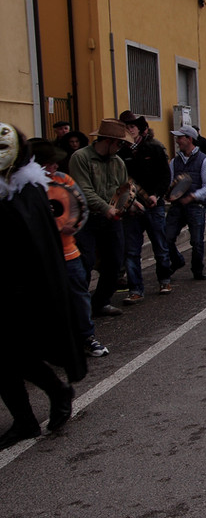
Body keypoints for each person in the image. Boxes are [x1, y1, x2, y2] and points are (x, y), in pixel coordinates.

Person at [0, 124, 86, 449]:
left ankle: (44, 402)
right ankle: (32, 413)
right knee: (8, 359)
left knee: (12, 357)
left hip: (19, 290)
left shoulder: (24, 191)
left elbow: (28, 247)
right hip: (12, 287)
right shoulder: (12, 190)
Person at [29, 139, 109, 357]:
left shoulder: (62, 180)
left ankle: (87, 337)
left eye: (55, 162)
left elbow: (80, 207)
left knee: (79, 295)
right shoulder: (26, 188)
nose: (55, 166)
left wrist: (72, 225)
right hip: (40, 257)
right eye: (50, 163)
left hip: (68, 252)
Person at [69, 119, 132, 317]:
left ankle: (101, 302)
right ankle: (79, 306)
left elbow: (123, 188)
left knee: (114, 263)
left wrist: (130, 202)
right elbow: (83, 190)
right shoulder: (81, 158)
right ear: (108, 140)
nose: (121, 147)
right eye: (119, 143)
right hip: (86, 218)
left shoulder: (118, 162)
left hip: (111, 220)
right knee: (84, 263)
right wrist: (106, 208)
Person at [117, 111, 173, 301]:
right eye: (125, 127)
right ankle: (135, 290)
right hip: (131, 208)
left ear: (140, 130)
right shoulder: (119, 153)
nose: (129, 130)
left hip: (152, 204)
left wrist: (156, 195)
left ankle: (164, 279)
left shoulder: (154, 148)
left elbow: (165, 176)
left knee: (160, 245)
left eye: (132, 127)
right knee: (132, 251)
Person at [164, 126, 206, 281]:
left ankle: (197, 269)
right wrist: (169, 194)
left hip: (195, 206)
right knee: (166, 237)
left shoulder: (204, 160)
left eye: (180, 138)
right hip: (177, 205)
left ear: (189, 139)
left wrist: (193, 196)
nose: (178, 141)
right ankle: (177, 260)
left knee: (196, 240)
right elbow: (171, 182)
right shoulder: (174, 161)